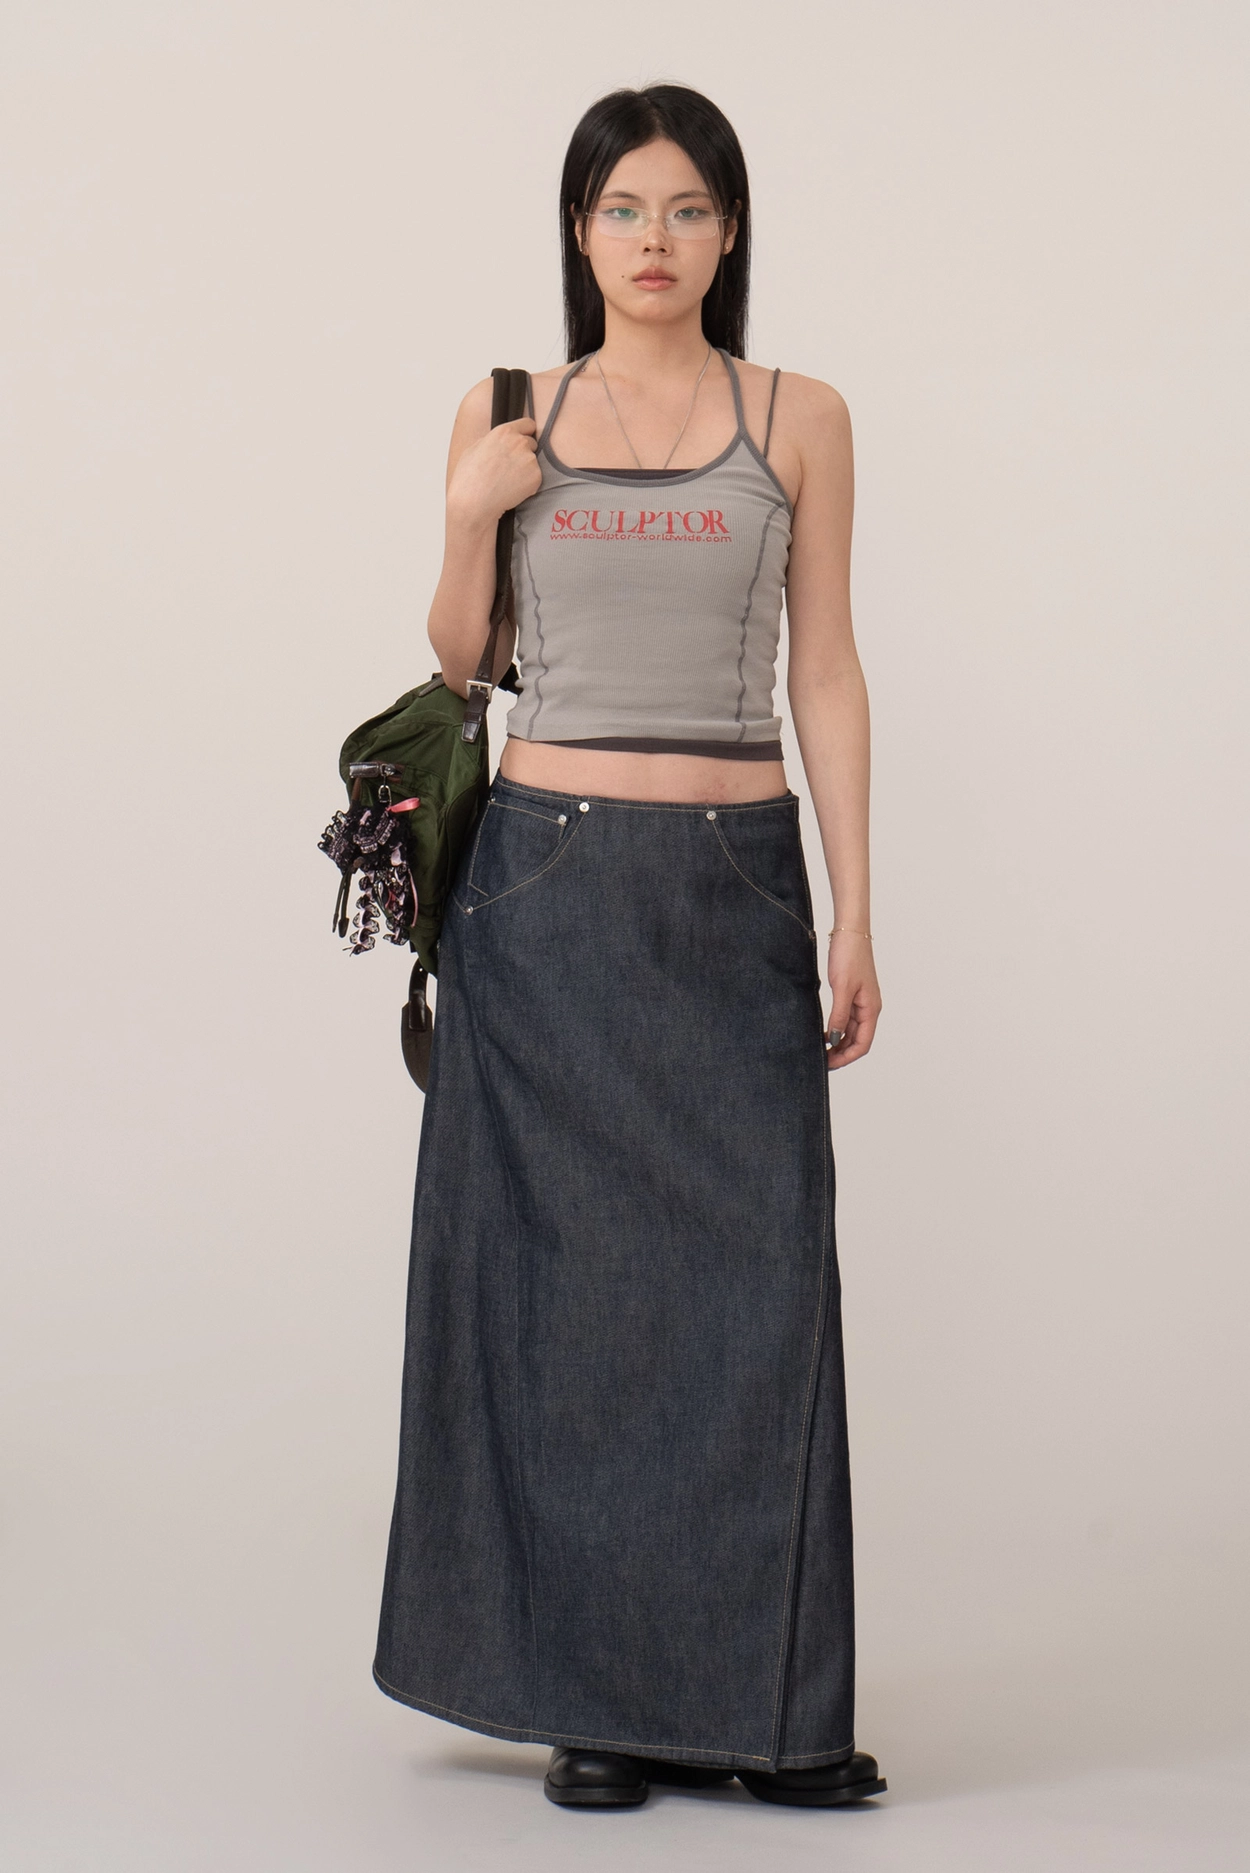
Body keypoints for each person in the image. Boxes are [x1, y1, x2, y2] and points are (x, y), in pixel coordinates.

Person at [373, 83, 886, 1812]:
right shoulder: (508, 410)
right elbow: (463, 662)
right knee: (569, 1304)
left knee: (757, 1296)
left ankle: (769, 1717)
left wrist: (855, 904)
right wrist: (468, 512)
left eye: (682, 209)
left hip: (734, 879)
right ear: (578, 230)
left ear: (727, 232)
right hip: (546, 888)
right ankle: (595, 1702)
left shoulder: (799, 415)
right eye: (618, 209)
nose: (650, 240)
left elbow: (826, 665)